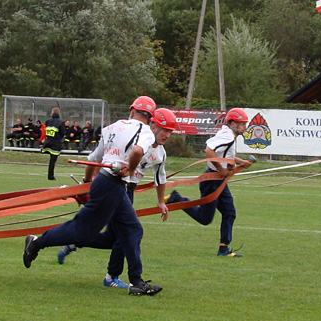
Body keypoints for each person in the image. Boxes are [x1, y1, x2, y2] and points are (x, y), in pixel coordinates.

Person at [22, 96, 163, 296]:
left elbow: (93, 158)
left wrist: (87, 184)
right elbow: (138, 151)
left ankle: (137, 282)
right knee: (81, 232)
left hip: (106, 183)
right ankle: (36, 243)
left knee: (133, 229)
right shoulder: (145, 131)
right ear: (150, 117)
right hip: (112, 185)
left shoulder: (113, 127)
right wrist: (130, 169)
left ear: (132, 111)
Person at [58, 108, 176, 290]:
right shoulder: (136, 140)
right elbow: (104, 159)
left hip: (128, 191)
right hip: (116, 187)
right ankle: (114, 276)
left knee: (112, 238)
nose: (167, 135)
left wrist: (161, 201)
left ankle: (75, 240)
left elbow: (160, 178)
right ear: (153, 125)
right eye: (164, 129)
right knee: (128, 234)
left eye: (170, 131)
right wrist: (93, 184)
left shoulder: (160, 153)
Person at [166, 107, 253, 257]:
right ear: (233, 123)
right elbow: (209, 150)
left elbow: (223, 154)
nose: (245, 127)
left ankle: (223, 249)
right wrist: (220, 169)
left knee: (229, 212)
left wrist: (241, 162)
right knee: (205, 218)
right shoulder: (228, 136)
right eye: (242, 124)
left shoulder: (228, 134)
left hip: (218, 180)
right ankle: (176, 199)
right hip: (212, 180)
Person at [41, 108, 66, 180]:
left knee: (51, 160)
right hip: (56, 143)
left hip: (48, 142)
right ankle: (51, 176)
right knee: (53, 160)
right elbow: (63, 133)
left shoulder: (48, 121)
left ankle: (50, 175)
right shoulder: (61, 122)